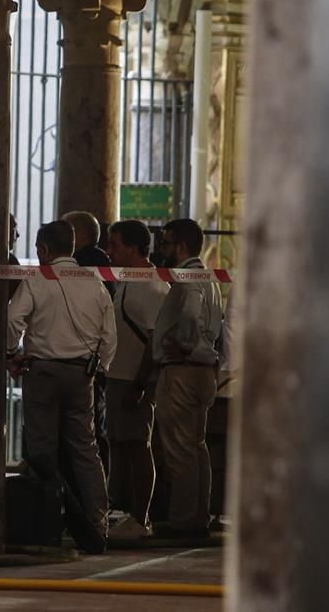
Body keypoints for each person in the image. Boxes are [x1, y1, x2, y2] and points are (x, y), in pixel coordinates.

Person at [6, 221, 117, 545]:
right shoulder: (93, 280)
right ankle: (97, 524)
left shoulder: (38, 279)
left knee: (42, 452)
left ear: (43, 250)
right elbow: (109, 334)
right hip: (82, 375)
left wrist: (10, 352)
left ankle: (50, 522)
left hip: (42, 372)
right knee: (86, 450)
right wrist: (100, 367)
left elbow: (13, 319)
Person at [151, 218, 223, 539]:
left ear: (180, 246)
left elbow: (192, 314)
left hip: (183, 370)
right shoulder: (209, 278)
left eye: (166, 243)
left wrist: (186, 343)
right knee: (196, 446)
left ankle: (183, 520)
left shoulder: (187, 279)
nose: (162, 250)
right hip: (204, 370)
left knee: (179, 448)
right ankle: (197, 515)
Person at [102, 220, 170, 539]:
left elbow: (156, 341)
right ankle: (121, 510)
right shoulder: (126, 280)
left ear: (133, 247)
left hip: (133, 379)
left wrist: (140, 385)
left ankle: (140, 518)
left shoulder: (154, 285)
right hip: (118, 375)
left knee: (137, 446)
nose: (109, 251)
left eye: (114, 245)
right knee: (119, 444)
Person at [61, 211, 115, 477]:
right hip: (94, 363)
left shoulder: (80, 268)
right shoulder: (106, 267)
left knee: (82, 437)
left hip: (79, 364)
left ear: (79, 236)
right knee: (92, 433)